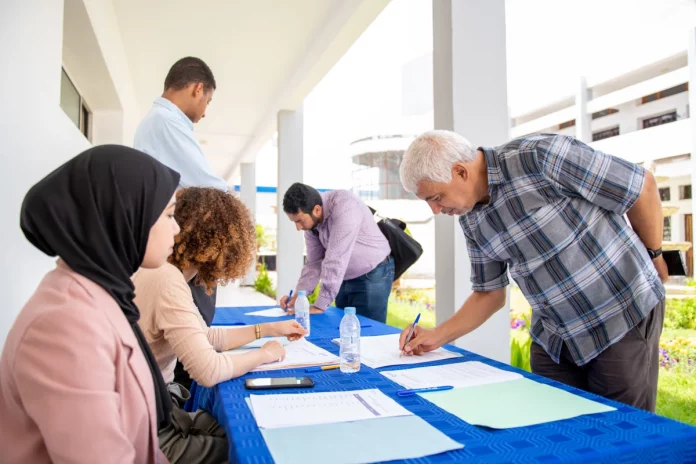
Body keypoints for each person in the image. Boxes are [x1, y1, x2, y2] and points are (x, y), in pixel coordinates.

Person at [397, 130, 667, 412]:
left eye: (437, 197)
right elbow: (489, 293)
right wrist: (435, 336)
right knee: (554, 432)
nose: (436, 210)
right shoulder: (471, 219)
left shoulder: (539, 156)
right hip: (555, 338)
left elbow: (640, 185)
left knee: (619, 434)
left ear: (460, 171)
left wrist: (655, 253)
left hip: (619, 315)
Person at [0, 145, 180, 463]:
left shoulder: (104, 295)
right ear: (123, 214)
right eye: (168, 214)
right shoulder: (64, 324)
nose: (177, 228)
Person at [133, 187, 307, 463]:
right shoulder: (167, 281)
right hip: (147, 425)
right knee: (251, 447)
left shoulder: (164, 273)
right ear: (222, 241)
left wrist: (269, 330)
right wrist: (265, 354)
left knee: (235, 426)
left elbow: (204, 337)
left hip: (149, 410)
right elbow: (209, 371)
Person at [134, 56, 227, 389]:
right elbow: (213, 190)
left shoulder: (156, 123)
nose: (204, 112)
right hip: (181, 254)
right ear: (197, 89)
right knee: (192, 345)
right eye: (207, 101)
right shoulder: (166, 122)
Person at [280, 183, 394, 323]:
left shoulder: (345, 206)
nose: (298, 227)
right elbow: (313, 263)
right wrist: (298, 297)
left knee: (368, 331)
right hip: (343, 276)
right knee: (343, 329)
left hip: (372, 274)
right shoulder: (311, 225)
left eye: (299, 221)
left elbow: (335, 258)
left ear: (316, 210)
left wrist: (320, 306)